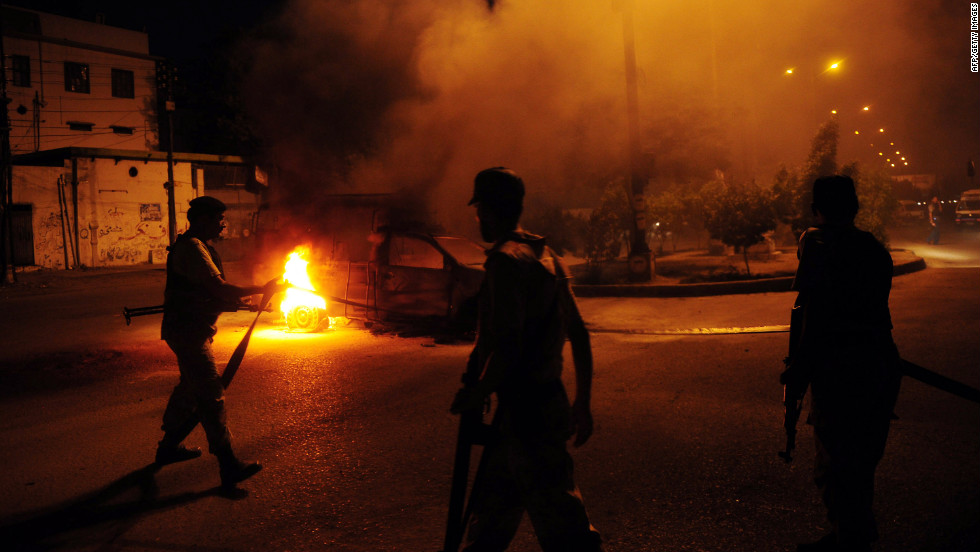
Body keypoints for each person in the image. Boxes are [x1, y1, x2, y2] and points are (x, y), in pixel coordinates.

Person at [450, 167, 603, 552]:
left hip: (528, 417)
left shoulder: (504, 262)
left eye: (479, 208)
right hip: (534, 409)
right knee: (490, 522)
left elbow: (507, 344)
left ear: (488, 208)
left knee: (567, 534)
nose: (477, 216)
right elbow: (579, 334)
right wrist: (582, 401)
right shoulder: (545, 255)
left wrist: (479, 389)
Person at [781, 176, 902, 552]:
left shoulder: (816, 243)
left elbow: (811, 315)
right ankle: (852, 534)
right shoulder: (874, 249)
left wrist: (798, 371)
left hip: (840, 371)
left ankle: (849, 539)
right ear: (856, 208)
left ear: (816, 210)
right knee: (861, 461)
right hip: (880, 367)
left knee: (835, 465)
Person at [155, 196, 285, 490]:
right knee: (211, 394)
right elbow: (220, 289)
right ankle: (228, 466)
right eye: (218, 218)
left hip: (190, 329)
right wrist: (261, 289)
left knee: (190, 388)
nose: (222, 223)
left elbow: (208, 294)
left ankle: (168, 448)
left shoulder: (197, 247)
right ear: (201, 220)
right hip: (188, 332)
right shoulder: (192, 248)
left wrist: (246, 301)